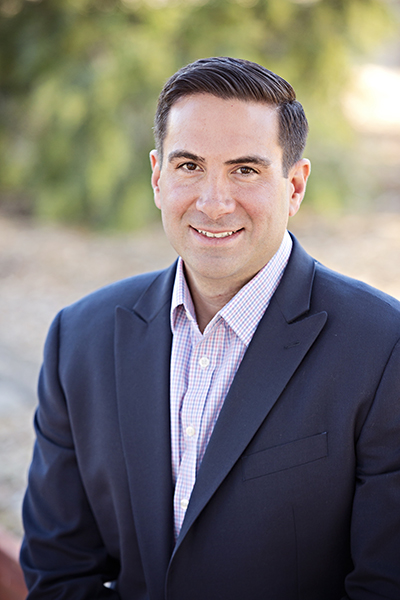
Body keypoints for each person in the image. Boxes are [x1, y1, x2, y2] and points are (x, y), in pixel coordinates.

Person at [20, 57, 400, 600]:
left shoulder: (385, 347)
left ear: (294, 185)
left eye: (245, 169)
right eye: (189, 166)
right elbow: (58, 572)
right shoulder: (78, 339)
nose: (214, 202)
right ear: (157, 177)